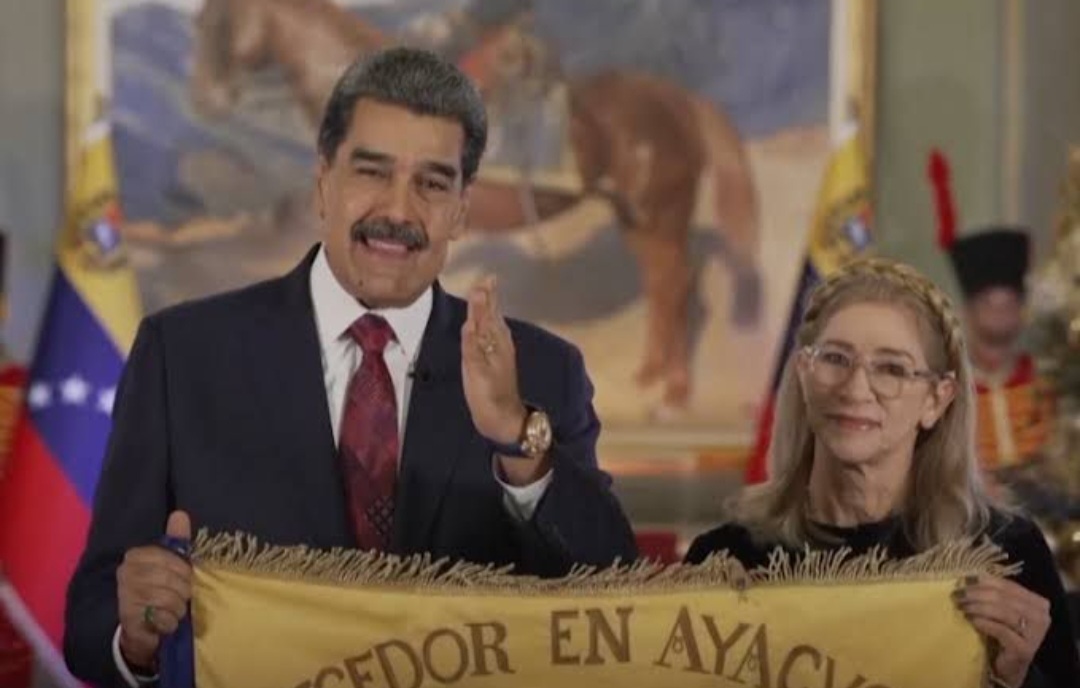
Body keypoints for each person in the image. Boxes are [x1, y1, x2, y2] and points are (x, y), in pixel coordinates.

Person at [64, 47, 637, 687]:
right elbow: (91, 624)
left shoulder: (543, 373)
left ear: (461, 209)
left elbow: (613, 598)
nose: (398, 211)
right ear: (323, 183)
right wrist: (137, 637)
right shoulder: (184, 355)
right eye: (372, 172)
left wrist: (516, 436)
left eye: (432, 183)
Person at [686, 258, 1079, 687]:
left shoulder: (1007, 554)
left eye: (892, 368)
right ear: (803, 373)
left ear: (937, 399)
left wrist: (1016, 677)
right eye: (836, 358)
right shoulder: (725, 557)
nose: (855, 389)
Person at [945, 227, 1054, 471]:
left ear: (1022, 310)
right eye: (988, 303)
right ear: (966, 311)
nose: (999, 313)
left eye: (1009, 303)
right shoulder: (949, 392)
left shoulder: (1047, 382)